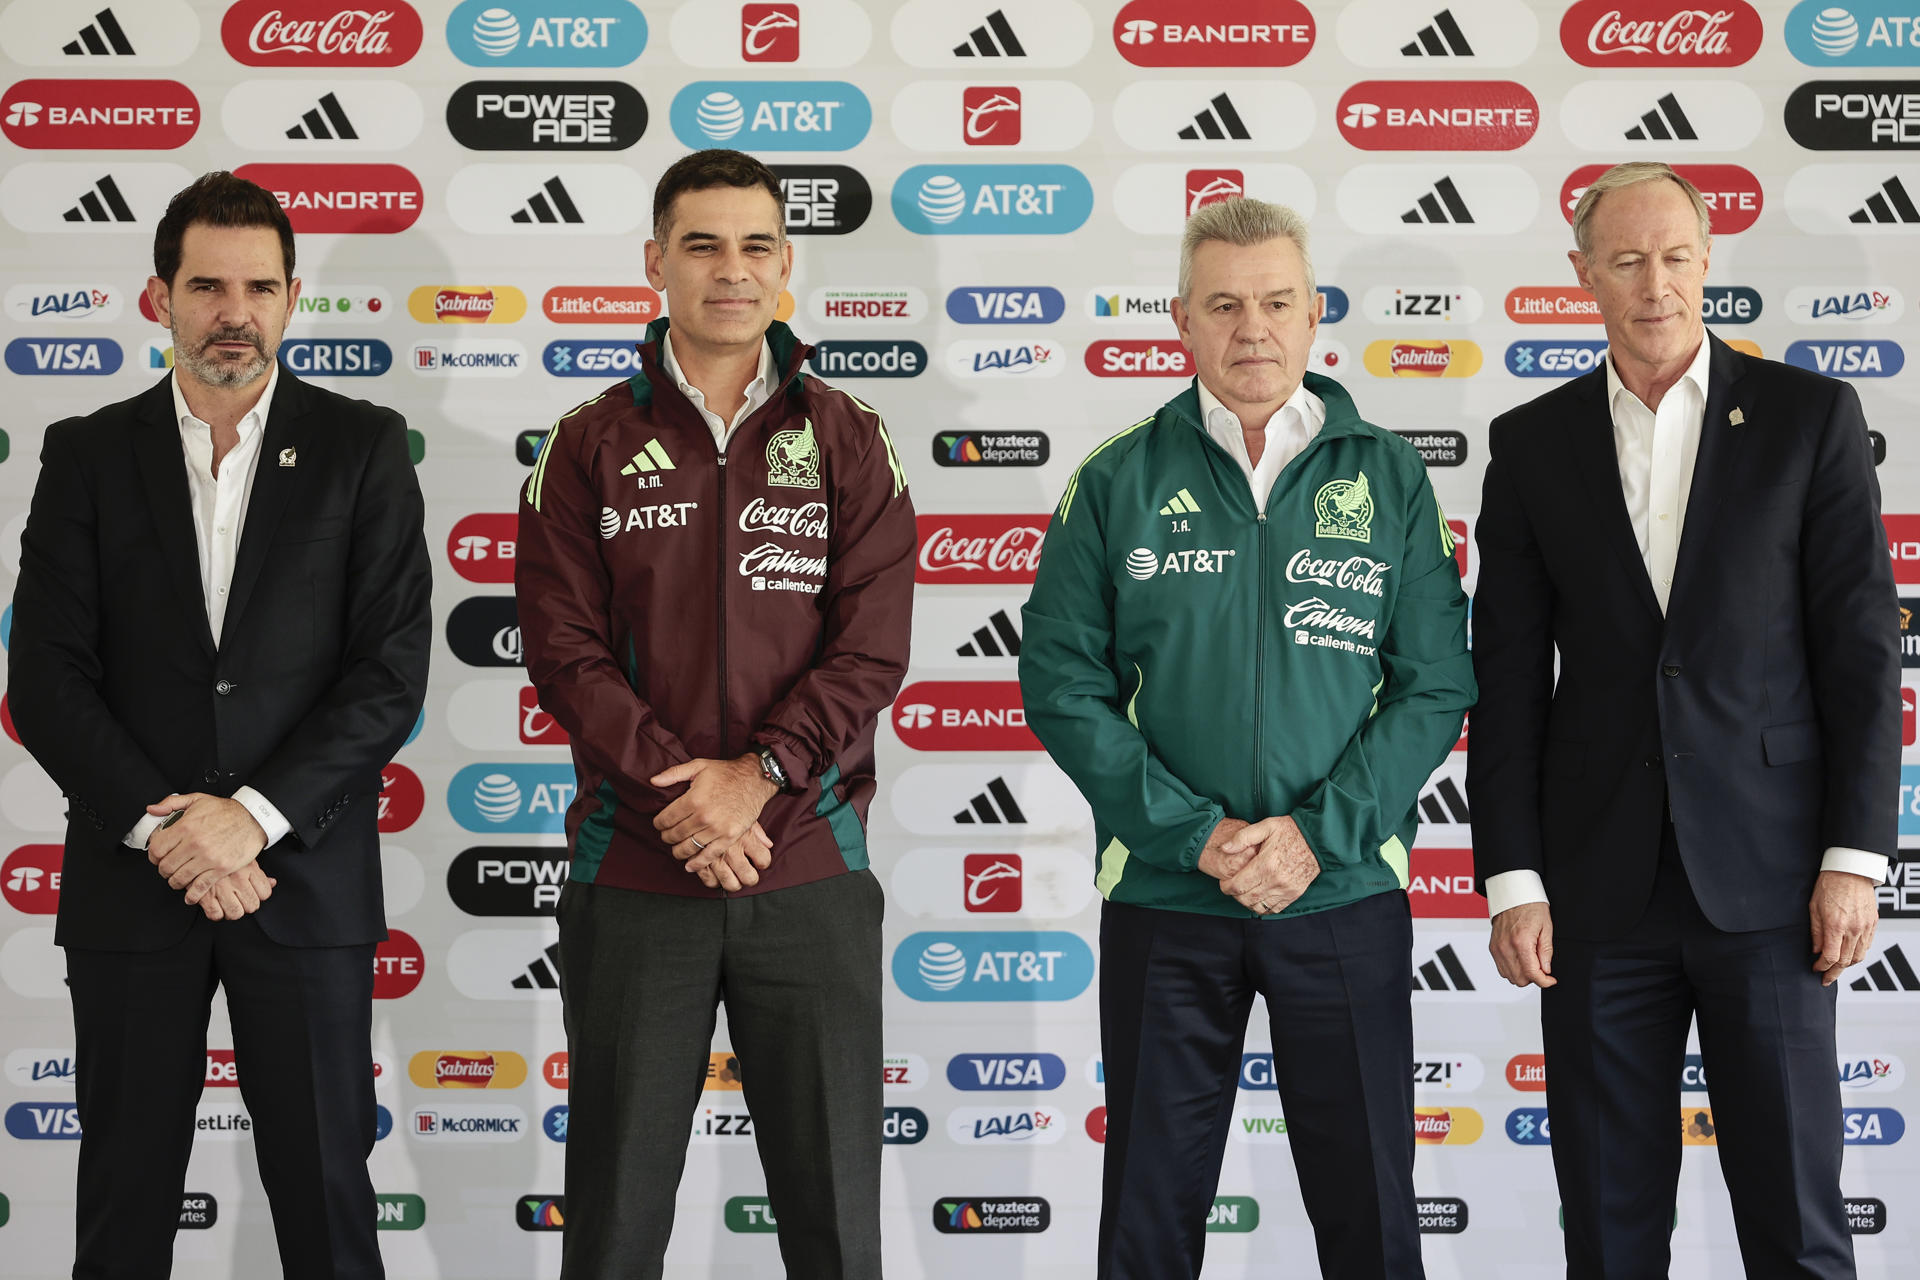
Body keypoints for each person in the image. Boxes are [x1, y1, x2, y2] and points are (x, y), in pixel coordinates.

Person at [1020, 197, 1474, 1280]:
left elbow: (1434, 682)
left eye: (1276, 301)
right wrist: (1194, 833)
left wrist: (1318, 836)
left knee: (1370, 1208)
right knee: (1148, 1212)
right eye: (1224, 304)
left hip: (1344, 893)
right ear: (1180, 319)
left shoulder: (1389, 476)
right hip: (1168, 900)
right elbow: (1059, 679)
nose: (1252, 328)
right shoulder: (1118, 479)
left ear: (1315, 314)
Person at [1468, 161, 1895, 1279]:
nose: (1652, 283)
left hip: (1774, 885)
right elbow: (1505, 676)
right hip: (1597, 893)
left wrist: (1856, 857)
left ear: (1706, 264)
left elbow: (1861, 653)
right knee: (1610, 1234)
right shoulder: (1530, 442)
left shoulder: (1810, 418)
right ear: (1582, 275)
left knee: (1798, 1227)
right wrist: (1513, 878)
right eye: (1625, 259)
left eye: (1673, 256)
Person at [7, 171, 432, 1279]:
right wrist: (169, 832)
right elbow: (47, 676)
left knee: (330, 1197)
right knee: (124, 1203)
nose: (231, 310)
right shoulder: (86, 452)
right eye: (206, 285)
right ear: (160, 298)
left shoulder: (364, 447)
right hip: (132, 883)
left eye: (257, 285)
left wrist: (247, 819)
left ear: (293, 299)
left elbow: (386, 672)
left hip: (304, 879)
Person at [514, 148, 915, 1280]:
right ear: (655, 262)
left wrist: (762, 775)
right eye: (701, 244)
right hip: (638, 870)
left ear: (786, 265)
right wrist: (687, 792)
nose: (730, 270)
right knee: (614, 1226)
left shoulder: (849, 434)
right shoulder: (585, 440)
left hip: (808, 871)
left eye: (754, 246)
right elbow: (565, 651)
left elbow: (872, 645)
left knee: (836, 1229)